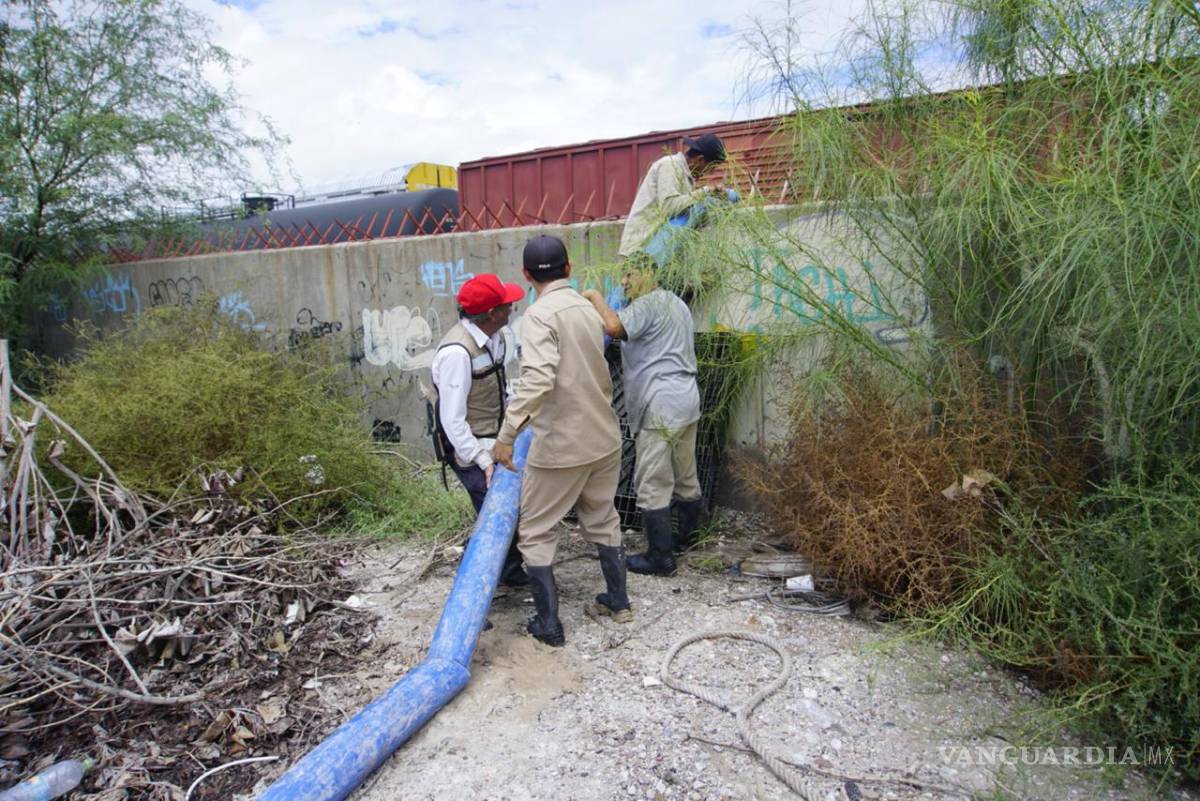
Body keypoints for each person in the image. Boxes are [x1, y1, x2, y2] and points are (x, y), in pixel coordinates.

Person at [492, 235, 632, 647]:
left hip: (561, 446)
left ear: (526, 275)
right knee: (603, 518)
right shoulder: (588, 310)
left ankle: (549, 626)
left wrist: (506, 435)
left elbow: (537, 379)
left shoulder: (537, 317)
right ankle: (618, 602)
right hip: (603, 437)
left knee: (535, 532)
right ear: (568, 268)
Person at [583, 268, 702, 577]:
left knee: (652, 483)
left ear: (651, 273)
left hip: (660, 403)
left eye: (629, 275)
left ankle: (660, 558)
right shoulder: (676, 303)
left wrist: (595, 297)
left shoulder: (648, 304)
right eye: (622, 277)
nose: (624, 282)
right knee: (685, 474)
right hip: (686, 398)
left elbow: (613, 325)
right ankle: (687, 540)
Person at [430, 273, 528, 587]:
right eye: (505, 304)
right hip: (469, 445)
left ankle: (507, 572)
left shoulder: (494, 339)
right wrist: (481, 460)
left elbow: (494, 390)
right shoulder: (457, 354)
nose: (511, 306)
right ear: (490, 314)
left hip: (493, 436)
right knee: (493, 511)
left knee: (505, 507)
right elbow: (452, 420)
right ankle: (480, 583)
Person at [617, 132, 727, 259]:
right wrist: (706, 191)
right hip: (640, 251)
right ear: (700, 160)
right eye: (710, 167)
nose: (710, 172)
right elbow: (670, 206)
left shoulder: (686, 175)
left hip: (658, 252)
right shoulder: (670, 166)